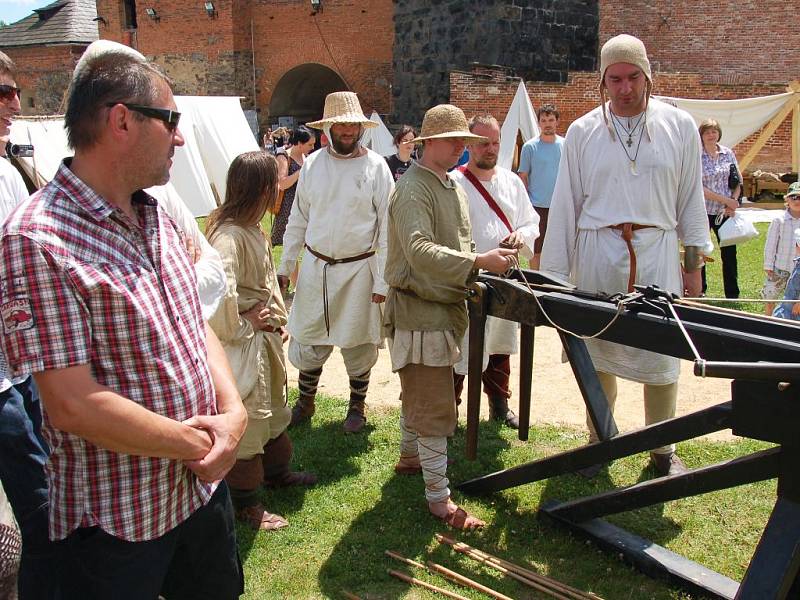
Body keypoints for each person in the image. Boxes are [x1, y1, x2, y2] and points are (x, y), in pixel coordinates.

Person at [0, 42, 246, 598]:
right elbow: (71, 402)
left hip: (200, 492)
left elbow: (192, 323)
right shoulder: (38, 239)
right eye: (171, 121)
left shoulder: (153, 210)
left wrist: (231, 414)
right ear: (122, 122)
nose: (181, 137)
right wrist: (200, 444)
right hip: (120, 519)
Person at [541, 34, 710, 478]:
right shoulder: (582, 131)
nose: (624, 88)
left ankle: (662, 450)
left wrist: (692, 266)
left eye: (633, 77)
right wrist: (555, 278)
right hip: (598, 254)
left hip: (656, 253)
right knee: (597, 353)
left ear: (647, 77)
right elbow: (566, 205)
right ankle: (600, 441)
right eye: (614, 79)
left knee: (661, 358)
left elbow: (691, 200)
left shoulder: (679, 126)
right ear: (603, 81)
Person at [383, 103, 518, 529]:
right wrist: (478, 261)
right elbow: (419, 251)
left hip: (442, 307)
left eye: (466, 139)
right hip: (420, 311)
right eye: (455, 139)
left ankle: (409, 459)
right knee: (435, 406)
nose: (463, 145)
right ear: (429, 143)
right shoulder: (412, 189)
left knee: (420, 394)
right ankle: (439, 500)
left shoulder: (449, 184)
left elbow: (455, 241)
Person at [207, 151, 316, 531]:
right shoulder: (229, 237)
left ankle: (277, 474)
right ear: (260, 189)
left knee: (273, 415)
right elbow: (218, 295)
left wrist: (275, 320)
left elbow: (265, 286)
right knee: (250, 425)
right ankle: (246, 505)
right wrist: (244, 321)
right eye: (275, 183)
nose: (279, 189)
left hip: (261, 342)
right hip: (240, 349)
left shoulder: (251, 228)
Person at [277, 91, 393, 433]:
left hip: (360, 271)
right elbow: (297, 219)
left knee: (359, 341)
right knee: (310, 335)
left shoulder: (376, 167)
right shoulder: (312, 165)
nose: (347, 130)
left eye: (352, 125)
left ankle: (357, 407)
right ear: (328, 126)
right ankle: (306, 402)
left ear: (360, 128)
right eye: (341, 124)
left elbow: (387, 227)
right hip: (316, 269)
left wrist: (382, 281)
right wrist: (285, 267)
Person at [0, 51, 57, 600]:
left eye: (15, 90)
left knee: (44, 507)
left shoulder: (10, 170)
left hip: (20, 368)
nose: (14, 102)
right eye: (1, 92)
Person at [451, 114, 539, 429]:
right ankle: (451, 409)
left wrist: (521, 236)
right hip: (467, 280)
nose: (490, 149)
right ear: (469, 144)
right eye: (483, 143)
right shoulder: (454, 183)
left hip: (503, 279)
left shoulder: (512, 181)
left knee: (501, 343)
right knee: (460, 347)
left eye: (495, 142)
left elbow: (531, 221)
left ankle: (499, 404)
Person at [517, 104, 564, 270]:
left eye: (551, 119)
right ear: (539, 123)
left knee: (559, 250)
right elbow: (523, 176)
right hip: (537, 207)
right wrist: (527, 202)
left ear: (557, 121)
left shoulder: (565, 146)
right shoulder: (530, 147)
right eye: (544, 120)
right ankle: (536, 284)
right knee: (536, 251)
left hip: (560, 207)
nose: (547, 123)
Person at [699, 118, 742, 299]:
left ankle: (732, 293)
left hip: (725, 212)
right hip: (702, 210)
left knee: (729, 253)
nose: (711, 135)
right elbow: (698, 186)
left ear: (719, 134)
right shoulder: (696, 155)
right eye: (707, 132)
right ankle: (699, 290)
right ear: (701, 136)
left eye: (714, 131)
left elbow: (737, 179)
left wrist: (733, 201)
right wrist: (724, 199)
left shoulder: (727, 153)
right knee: (700, 252)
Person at [271, 125, 317, 284]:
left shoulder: (306, 157)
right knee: (291, 246)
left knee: (309, 244)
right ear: (299, 143)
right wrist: (301, 171)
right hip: (288, 207)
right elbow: (282, 183)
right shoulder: (283, 156)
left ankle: (305, 283)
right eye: (309, 144)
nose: (312, 148)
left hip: (305, 204)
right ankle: (296, 285)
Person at [762, 182, 800, 315]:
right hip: (779, 268)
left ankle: (790, 322)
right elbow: (771, 244)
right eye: (793, 197)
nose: (797, 200)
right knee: (770, 296)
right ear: (787, 200)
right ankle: (768, 320)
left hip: (797, 271)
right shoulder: (779, 220)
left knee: (795, 300)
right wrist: (768, 265)